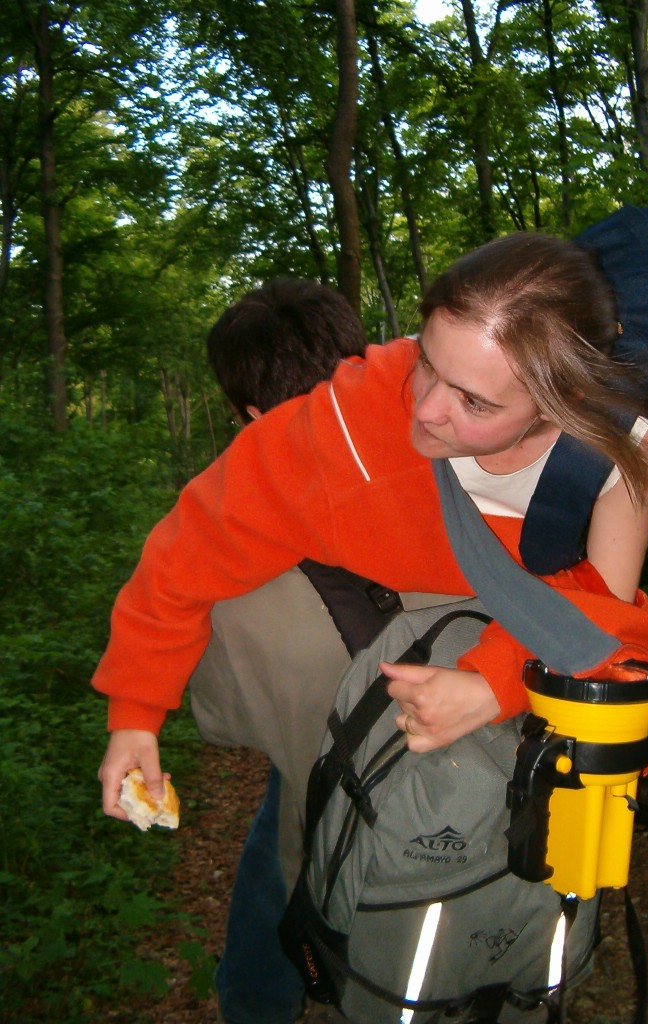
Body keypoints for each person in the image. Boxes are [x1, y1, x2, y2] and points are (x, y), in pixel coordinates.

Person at [95, 231, 648, 992]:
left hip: (485, 672)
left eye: (474, 401)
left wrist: (492, 683)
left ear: (561, 401)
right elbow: (190, 545)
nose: (430, 411)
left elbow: (603, 629)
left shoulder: (613, 452)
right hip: (351, 651)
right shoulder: (343, 422)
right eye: (428, 366)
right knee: (313, 817)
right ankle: (279, 988)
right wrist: (135, 714)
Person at [191, 278, 375, 1024]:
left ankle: (256, 998)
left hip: (327, 801)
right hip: (487, 803)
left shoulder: (230, 562)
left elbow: (224, 723)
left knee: (288, 818)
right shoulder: (474, 472)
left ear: (252, 415)